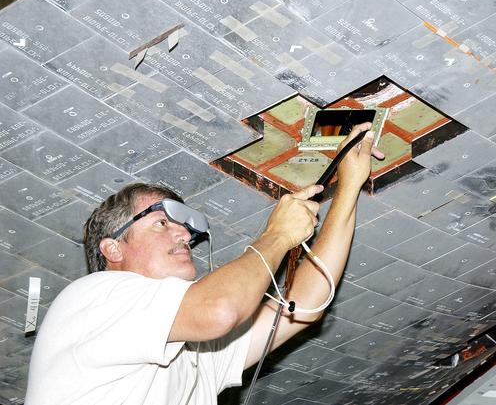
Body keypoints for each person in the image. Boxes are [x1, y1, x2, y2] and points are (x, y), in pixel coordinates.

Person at [25, 123, 384, 404]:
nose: (184, 235)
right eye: (161, 222)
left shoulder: (193, 352)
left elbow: (303, 306)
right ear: (113, 249)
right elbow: (219, 309)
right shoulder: (95, 299)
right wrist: (277, 236)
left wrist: (349, 187)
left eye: (184, 227)